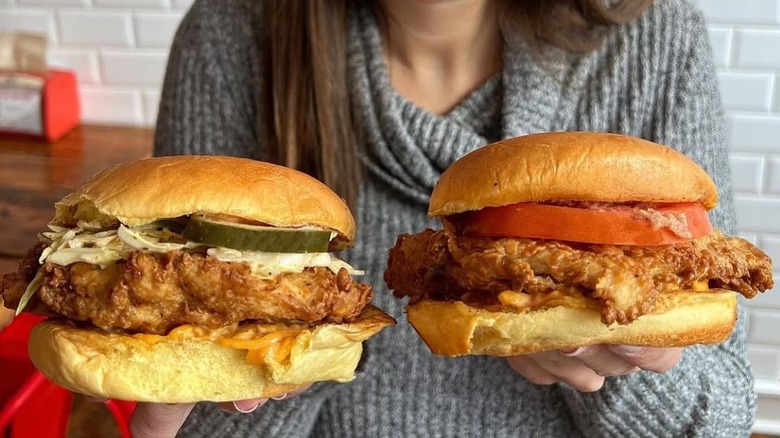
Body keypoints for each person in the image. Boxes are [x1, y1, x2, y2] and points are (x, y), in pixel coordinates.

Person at [133, 0, 755, 436]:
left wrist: (619, 362)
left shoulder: (657, 36)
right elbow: (197, 419)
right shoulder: (227, 32)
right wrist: (296, 351)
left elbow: (719, 418)